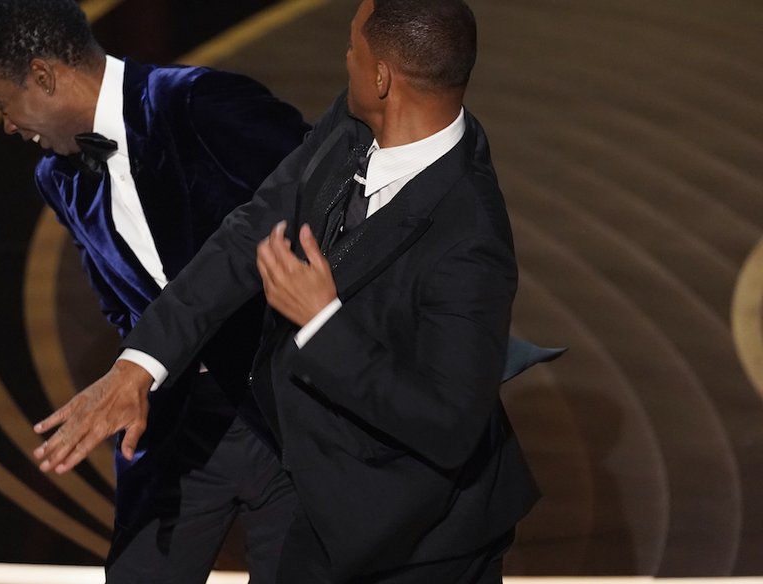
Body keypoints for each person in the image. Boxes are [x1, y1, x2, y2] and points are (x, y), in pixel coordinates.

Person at [32, 0, 552, 582]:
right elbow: (247, 233)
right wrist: (139, 366)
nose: (344, 57)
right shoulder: (354, 124)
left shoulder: (469, 235)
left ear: (382, 77)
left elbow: (447, 424)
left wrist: (322, 321)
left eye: (353, 48)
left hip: (419, 541)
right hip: (316, 504)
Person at [0, 1, 310, 582]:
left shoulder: (201, 101)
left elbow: (329, 211)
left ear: (43, 76)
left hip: (286, 421)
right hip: (176, 429)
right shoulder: (57, 177)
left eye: (2, 104)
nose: (8, 126)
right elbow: (119, 302)